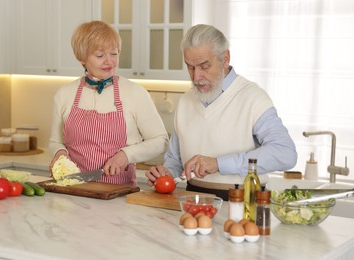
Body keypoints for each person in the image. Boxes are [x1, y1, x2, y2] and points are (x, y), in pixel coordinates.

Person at [145, 24, 297, 200]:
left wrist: (218, 163)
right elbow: (175, 159)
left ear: (225, 59)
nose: (196, 77)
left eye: (204, 66)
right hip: (191, 200)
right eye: (190, 67)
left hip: (243, 201)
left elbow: (285, 153)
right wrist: (165, 173)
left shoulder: (253, 98)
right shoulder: (186, 101)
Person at [49, 20, 168, 186]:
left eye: (114, 53)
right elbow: (55, 141)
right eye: (100, 55)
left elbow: (160, 140)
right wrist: (60, 153)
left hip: (118, 196)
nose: (109, 61)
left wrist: (126, 155)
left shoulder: (135, 93)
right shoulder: (64, 94)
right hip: (74, 191)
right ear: (81, 57)